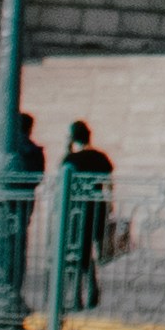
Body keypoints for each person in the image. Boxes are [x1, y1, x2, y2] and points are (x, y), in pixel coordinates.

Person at [57, 116, 116, 314]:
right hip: (97, 209)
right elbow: (109, 183)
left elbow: (63, 180)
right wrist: (109, 206)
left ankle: (77, 296)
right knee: (87, 251)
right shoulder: (100, 157)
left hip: (76, 211)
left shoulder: (71, 160)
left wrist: (67, 150)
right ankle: (91, 290)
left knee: (76, 252)